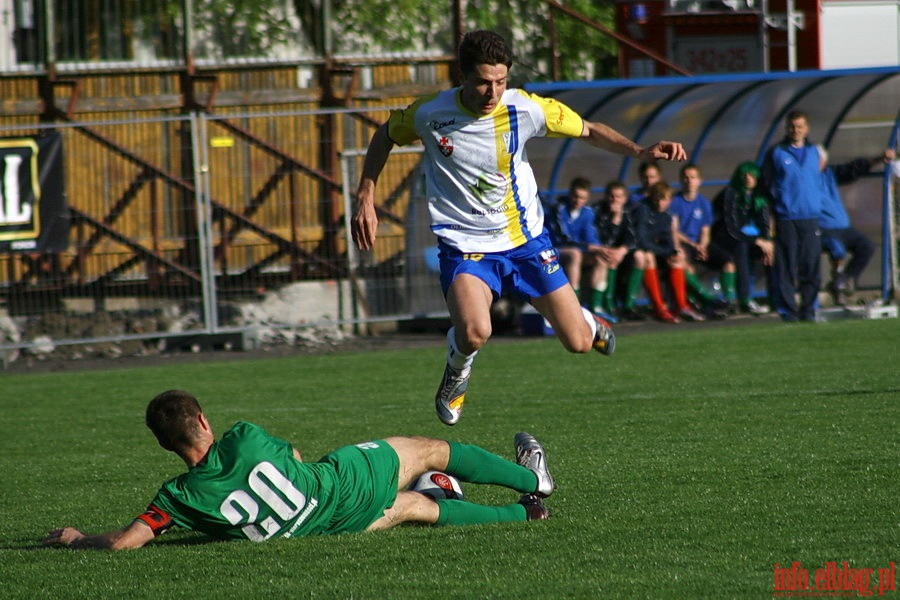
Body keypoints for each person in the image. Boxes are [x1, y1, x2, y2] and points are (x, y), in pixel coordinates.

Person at [351, 30, 687, 425]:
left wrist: (639, 151)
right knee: (476, 331)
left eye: (501, 82)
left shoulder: (524, 109)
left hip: (526, 242)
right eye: (482, 82)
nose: (492, 92)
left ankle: (589, 322)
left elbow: (590, 129)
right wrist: (365, 196)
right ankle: (457, 371)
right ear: (462, 75)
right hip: (465, 244)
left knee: (578, 343)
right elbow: (385, 135)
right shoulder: (430, 113)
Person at [43, 390, 557, 550]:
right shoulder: (242, 436)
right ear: (202, 420)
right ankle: (534, 480)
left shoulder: (177, 497)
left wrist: (75, 538)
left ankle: (524, 517)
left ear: (163, 445)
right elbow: (291, 459)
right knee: (428, 449)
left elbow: (122, 543)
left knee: (415, 508)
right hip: (340, 486)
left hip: (330, 526)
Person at [760, 110, 824, 322]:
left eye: (799, 126)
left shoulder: (815, 152)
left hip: (810, 217)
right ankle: (789, 311)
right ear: (787, 128)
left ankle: (809, 310)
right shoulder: (777, 152)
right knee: (787, 268)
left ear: (806, 129)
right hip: (787, 218)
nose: (795, 130)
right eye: (792, 126)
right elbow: (766, 188)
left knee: (811, 267)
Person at [816, 145, 895, 304]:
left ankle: (846, 280)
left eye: (821, 160)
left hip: (842, 227)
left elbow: (852, 169)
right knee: (836, 249)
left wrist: (879, 159)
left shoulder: (829, 174)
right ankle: (838, 285)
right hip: (822, 229)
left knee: (867, 246)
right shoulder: (804, 180)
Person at [627, 182, 705, 323]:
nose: (659, 203)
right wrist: (665, 252)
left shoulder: (667, 215)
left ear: (669, 201)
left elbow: (667, 239)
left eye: (663, 199)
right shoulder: (643, 209)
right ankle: (659, 307)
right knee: (647, 256)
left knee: (677, 258)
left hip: (653, 250)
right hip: (630, 250)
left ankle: (682, 306)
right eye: (656, 199)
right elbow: (641, 240)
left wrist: (672, 252)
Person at [669, 163, 734, 317]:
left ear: (699, 180)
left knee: (728, 263)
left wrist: (703, 247)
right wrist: (693, 245)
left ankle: (728, 302)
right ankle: (709, 301)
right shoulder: (675, 202)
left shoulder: (704, 203)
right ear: (681, 180)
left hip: (699, 244)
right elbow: (674, 231)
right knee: (685, 267)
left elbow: (706, 231)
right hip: (684, 244)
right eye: (686, 177)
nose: (689, 180)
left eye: (693, 177)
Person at [712, 161, 774, 315]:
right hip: (722, 239)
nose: (748, 178)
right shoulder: (731, 193)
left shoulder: (758, 197)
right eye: (744, 174)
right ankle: (744, 299)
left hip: (744, 238)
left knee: (774, 252)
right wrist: (757, 241)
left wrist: (767, 242)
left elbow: (764, 223)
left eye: (752, 175)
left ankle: (777, 298)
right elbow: (730, 228)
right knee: (741, 247)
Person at [545, 177, 607, 314]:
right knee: (575, 254)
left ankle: (596, 306)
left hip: (577, 249)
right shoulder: (559, 209)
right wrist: (588, 247)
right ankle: (576, 304)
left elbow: (591, 236)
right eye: (576, 196)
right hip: (554, 250)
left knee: (601, 259)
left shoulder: (587, 212)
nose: (578, 201)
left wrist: (599, 249)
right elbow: (563, 238)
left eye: (582, 198)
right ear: (570, 194)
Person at [593, 180, 636, 318]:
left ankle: (628, 305)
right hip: (600, 251)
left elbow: (632, 238)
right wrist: (614, 221)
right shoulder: (598, 211)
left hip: (618, 254)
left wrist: (622, 251)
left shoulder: (627, 213)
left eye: (618, 196)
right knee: (609, 260)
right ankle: (606, 304)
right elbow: (603, 239)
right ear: (606, 196)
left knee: (640, 257)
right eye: (611, 195)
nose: (614, 199)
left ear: (624, 199)